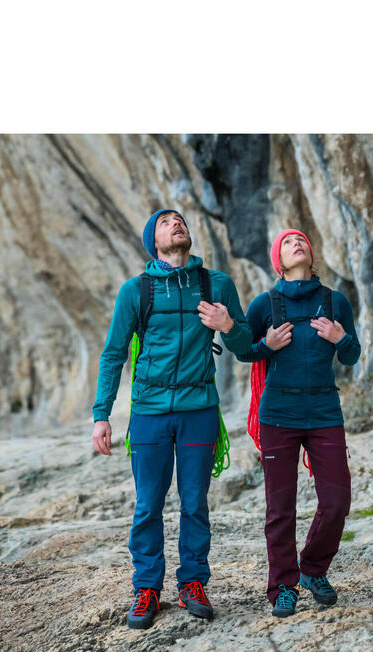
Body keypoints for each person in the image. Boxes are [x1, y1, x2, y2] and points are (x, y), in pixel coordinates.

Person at [92, 209, 252, 630]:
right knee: (148, 505)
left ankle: (193, 583)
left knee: (195, 503)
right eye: (165, 223)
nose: (175, 224)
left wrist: (228, 323)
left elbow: (248, 345)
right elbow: (113, 354)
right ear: (154, 241)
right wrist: (101, 415)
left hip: (199, 410)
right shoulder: (136, 291)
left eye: (179, 220)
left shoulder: (215, 284)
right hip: (148, 413)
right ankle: (147, 588)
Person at [239, 229, 361, 618]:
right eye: (289, 242)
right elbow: (242, 350)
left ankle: (312, 569)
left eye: (303, 240)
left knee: (337, 501)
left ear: (311, 255)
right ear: (279, 260)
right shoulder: (265, 303)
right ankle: (282, 588)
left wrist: (341, 337)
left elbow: (353, 355)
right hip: (278, 415)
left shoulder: (334, 301)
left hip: (324, 412)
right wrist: (265, 347)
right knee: (280, 508)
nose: (298, 243)